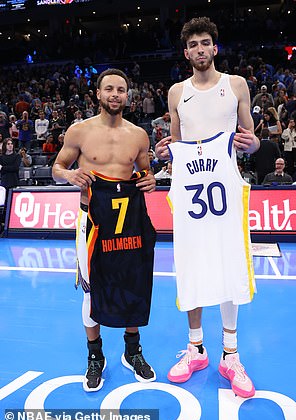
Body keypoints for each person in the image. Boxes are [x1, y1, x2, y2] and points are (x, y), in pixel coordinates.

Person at [155, 17, 259, 398]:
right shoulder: (176, 92)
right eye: (193, 44)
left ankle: (230, 354)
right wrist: (166, 153)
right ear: (186, 53)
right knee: (193, 267)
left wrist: (254, 146)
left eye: (205, 43)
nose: (199, 49)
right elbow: (177, 147)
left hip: (227, 191)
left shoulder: (235, 85)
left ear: (215, 48)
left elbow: (253, 139)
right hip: (190, 192)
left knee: (230, 266)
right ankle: (196, 348)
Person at [52, 68, 156, 392]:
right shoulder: (79, 132)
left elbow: (145, 172)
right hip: (91, 220)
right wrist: (69, 176)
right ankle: (95, 356)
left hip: (128, 222)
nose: (115, 94)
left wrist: (150, 180)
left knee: (133, 283)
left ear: (128, 96)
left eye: (121, 89)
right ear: (98, 94)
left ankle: (132, 350)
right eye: (108, 88)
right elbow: (57, 168)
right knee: (91, 289)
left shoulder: (139, 135)